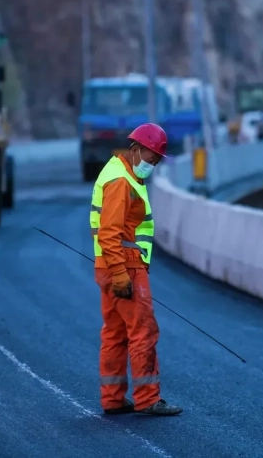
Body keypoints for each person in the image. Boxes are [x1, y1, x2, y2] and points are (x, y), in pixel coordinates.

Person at [90, 122, 183, 417]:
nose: (151, 164)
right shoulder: (120, 182)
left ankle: (113, 398)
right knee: (143, 330)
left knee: (115, 333)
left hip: (111, 265)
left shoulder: (124, 175)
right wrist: (120, 273)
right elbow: (109, 232)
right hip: (124, 267)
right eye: (150, 157)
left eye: (155, 161)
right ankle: (147, 398)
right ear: (135, 149)